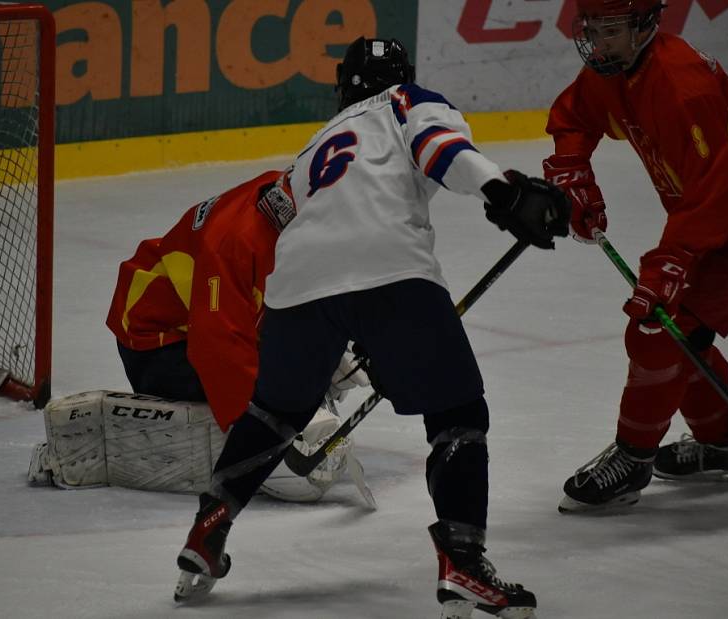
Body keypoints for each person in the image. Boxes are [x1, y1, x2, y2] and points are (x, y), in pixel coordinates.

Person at [173, 36, 570, 616]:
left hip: (297, 286)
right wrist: (503, 191)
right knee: (458, 412)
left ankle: (208, 526)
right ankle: (462, 564)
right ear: (401, 75)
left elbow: (296, 215)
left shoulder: (316, 144)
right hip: (392, 269)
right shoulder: (409, 100)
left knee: (274, 413)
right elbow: (441, 147)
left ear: (343, 89)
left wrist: (357, 328)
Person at [542, 0, 728, 513]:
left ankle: (632, 460)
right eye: (592, 29)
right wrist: (571, 171)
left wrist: (666, 267)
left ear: (645, 25)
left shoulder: (681, 85)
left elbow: (709, 198)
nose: (596, 42)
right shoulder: (617, 68)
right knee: (679, 334)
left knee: (656, 330)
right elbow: (573, 116)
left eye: (609, 31)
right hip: (723, 225)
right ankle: (721, 446)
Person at [104, 170, 370, 501]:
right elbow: (216, 351)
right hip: (155, 339)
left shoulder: (291, 203)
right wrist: (271, 425)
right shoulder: (234, 243)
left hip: (208, 320)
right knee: (274, 390)